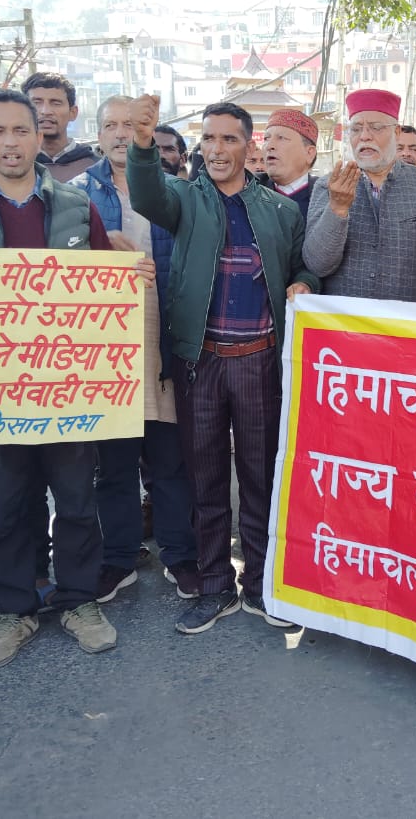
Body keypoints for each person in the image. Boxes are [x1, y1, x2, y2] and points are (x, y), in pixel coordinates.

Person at [0, 90, 128, 667]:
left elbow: (102, 292)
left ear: (39, 137)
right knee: (7, 504)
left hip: (66, 388)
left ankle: (78, 601)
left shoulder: (73, 206)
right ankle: (12, 610)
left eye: (22, 131)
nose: (11, 142)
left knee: (74, 499)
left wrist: (127, 272)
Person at [128, 95, 319, 634]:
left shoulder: (280, 210)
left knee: (259, 479)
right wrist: (143, 144)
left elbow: (304, 263)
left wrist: (307, 281)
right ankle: (214, 587)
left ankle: (260, 586)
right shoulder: (183, 200)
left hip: (260, 362)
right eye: (208, 138)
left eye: (228, 139)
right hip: (201, 363)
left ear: (248, 145)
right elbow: (145, 193)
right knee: (205, 480)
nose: (216, 149)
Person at [71, 96, 199, 604]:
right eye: (110, 125)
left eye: (130, 124)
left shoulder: (177, 192)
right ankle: (119, 558)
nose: (120, 134)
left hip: (163, 343)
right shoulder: (72, 196)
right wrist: (101, 251)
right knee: (115, 463)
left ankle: (179, 554)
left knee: (169, 461)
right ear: (96, 135)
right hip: (103, 351)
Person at [304, 88, 416, 304]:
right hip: (345, 329)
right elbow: (317, 264)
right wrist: (337, 209)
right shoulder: (328, 186)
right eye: (356, 129)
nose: (365, 136)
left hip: (411, 327)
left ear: (396, 132)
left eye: (376, 128)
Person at [22, 72, 98, 181]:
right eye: (36, 102)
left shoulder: (97, 168)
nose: (46, 111)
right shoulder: (11, 166)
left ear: (73, 112)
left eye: (56, 103)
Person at [261, 108, 319, 216]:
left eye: (281, 138)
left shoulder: (329, 196)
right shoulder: (250, 191)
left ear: (309, 153)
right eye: (266, 139)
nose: (269, 146)